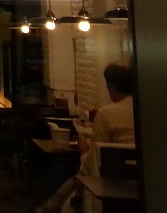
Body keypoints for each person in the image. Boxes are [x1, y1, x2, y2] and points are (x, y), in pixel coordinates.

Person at [36, 62, 136, 213]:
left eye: (107, 86)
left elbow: (96, 158)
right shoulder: (145, 110)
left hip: (113, 181)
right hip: (143, 180)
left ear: (112, 86)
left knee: (78, 176)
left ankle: (47, 209)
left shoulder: (106, 114)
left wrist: (83, 149)